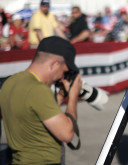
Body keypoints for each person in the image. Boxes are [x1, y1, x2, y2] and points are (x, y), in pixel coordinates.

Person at [0, 36, 82, 164]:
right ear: (54, 64)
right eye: (64, 71)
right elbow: (67, 133)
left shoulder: (10, 82)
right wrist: (73, 96)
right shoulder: (38, 90)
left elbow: (34, 117)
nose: (62, 77)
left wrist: (59, 97)